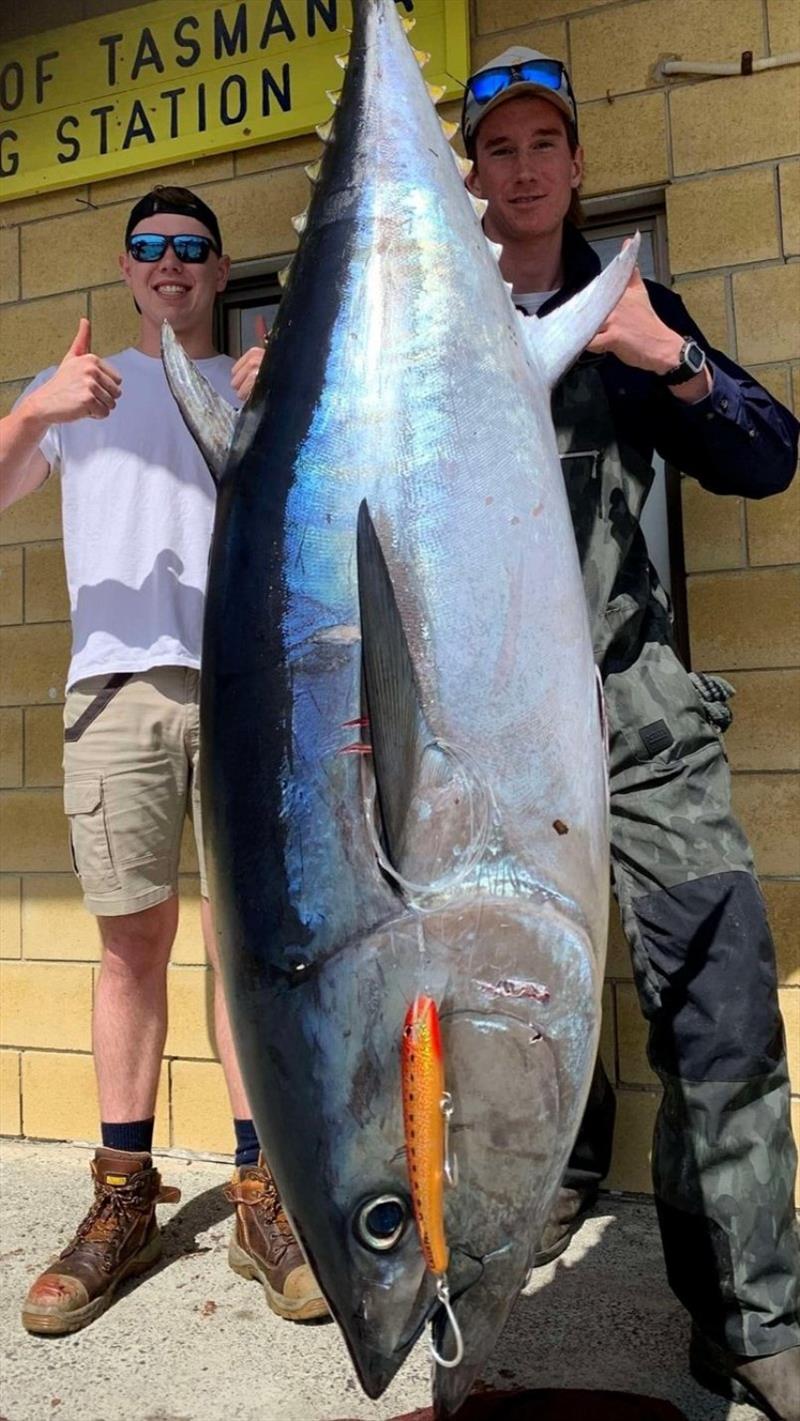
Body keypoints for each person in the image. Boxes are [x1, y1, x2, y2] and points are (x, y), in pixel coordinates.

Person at [461, 47, 800, 1421]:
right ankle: (499, 1240)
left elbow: (769, 455)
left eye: (547, 142)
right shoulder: (428, 326)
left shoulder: (628, 302)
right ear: (472, 176)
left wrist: (666, 359)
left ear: (577, 163)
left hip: (640, 725)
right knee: (492, 1020)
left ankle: (751, 1314)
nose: (526, 167)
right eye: (500, 149)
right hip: (479, 750)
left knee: (719, 1016)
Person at [0, 185, 327, 1334]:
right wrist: (36, 409)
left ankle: (263, 1195)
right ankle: (123, 1197)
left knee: (245, 946)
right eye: (150, 249)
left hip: (248, 687)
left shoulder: (254, 374)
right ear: (129, 270)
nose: (172, 263)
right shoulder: (86, 384)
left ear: (217, 263)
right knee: (131, 942)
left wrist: (286, 398)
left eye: (191, 247)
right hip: (115, 689)